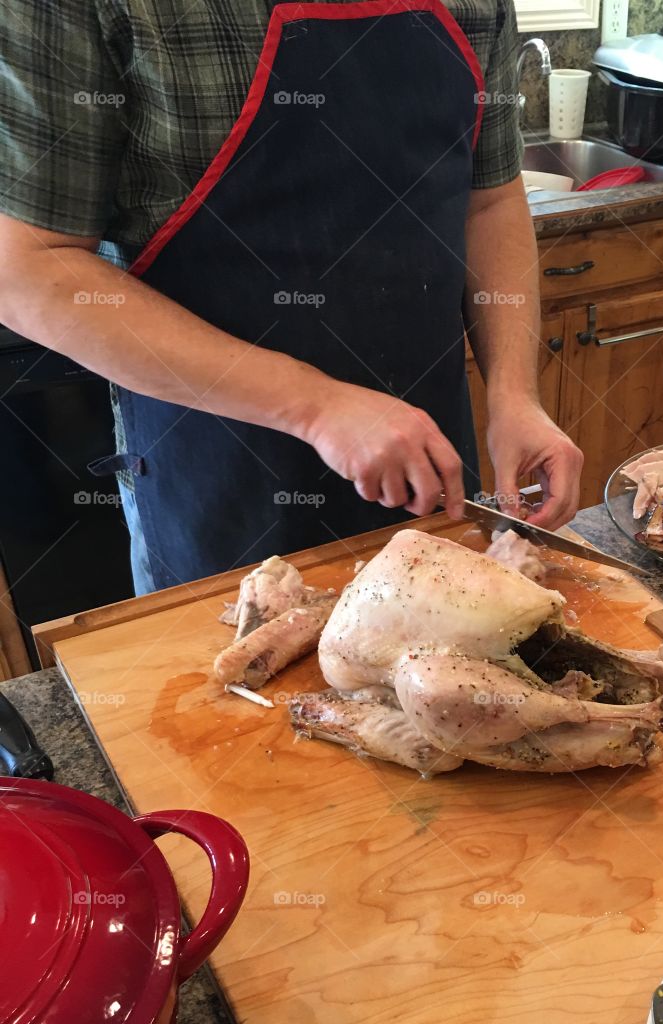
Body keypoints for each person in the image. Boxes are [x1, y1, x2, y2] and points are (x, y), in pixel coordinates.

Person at [0, 0, 583, 593]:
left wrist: (515, 396)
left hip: (429, 468)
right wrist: (317, 406)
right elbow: (25, 268)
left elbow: (491, 199)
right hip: (222, 485)